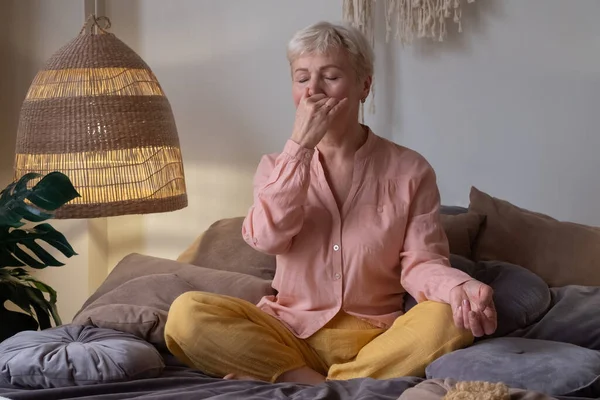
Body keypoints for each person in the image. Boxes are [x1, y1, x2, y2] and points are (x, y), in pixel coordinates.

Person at [164, 21, 497, 386]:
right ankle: (328, 385)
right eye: (302, 78)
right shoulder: (275, 167)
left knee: (449, 318)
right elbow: (266, 239)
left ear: (364, 86)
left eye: (330, 77)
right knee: (186, 314)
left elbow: (422, 264)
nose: (313, 91)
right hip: (288, 334)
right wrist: (299, 149)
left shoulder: (410, 170)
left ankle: (300, 382)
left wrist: (457, 288)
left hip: (375, 339)